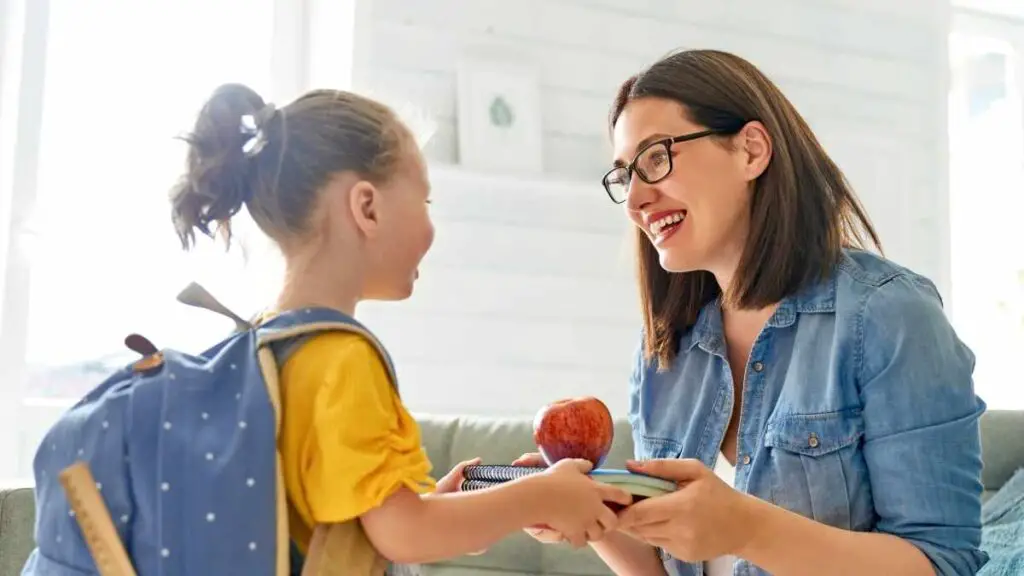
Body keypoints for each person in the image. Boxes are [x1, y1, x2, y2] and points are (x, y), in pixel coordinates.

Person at [515, 49, 988, 576]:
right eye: (626, 176)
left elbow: (942, 564)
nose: (635, 202)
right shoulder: (664, 355)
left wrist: (746, 527)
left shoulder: (891, 316)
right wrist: (594, 513)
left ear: (751, 150)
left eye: (655, 158)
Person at [168, 84, 632, 570]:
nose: (432, 227)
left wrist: (447, 509)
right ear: (367, 207)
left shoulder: (265, 344)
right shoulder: (339, 356)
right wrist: (542, 496)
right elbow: (403, 534)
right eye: (425, 201)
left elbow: (366, 524)